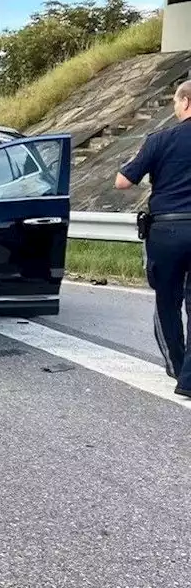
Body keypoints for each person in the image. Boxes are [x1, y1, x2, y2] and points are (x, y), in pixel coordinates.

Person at [115, 79, 191, 397]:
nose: (174, 108)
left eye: (175, 102)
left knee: (167, 302)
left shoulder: (160, 139)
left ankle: (176, 367)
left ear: (185, 102)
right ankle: (189, 379)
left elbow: (122, 181)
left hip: (167, 231)